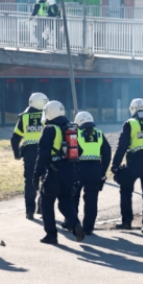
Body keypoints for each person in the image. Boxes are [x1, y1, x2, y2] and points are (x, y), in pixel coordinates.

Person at [33, 100, 85, 244]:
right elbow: (79, 150)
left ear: (50, 112)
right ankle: (76, 225)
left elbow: (42, 154)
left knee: (46, 203)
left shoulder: (50, 129)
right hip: (70, 171)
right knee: (65, 202)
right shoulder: (70, 128)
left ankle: (51, 235)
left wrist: (37, 174)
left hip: (54, 173)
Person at [111, 98, 143, 234]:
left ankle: (126, 221)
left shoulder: (129, 123)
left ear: (132, 109)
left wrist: (115, 165)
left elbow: (122, 146)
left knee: (126, 190)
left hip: (135, 162)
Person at [11, 92, 49, 219]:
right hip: (45, 151)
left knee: (30, 181)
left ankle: (29, 211)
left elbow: (15, 138)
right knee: (46, 179)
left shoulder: (25, 117)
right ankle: (43, 208)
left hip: (30, 153)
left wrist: (17, 153)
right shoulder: (48, 115)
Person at [73, 111, 112, 235]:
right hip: (95, 169)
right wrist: (102, 171)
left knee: (73, 196)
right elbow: (107, 153)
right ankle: (88, 227)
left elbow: (72, 152)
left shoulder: (75, 133)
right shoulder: (99, 134)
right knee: (91, 199)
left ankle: (72, 223)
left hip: (78, 169)